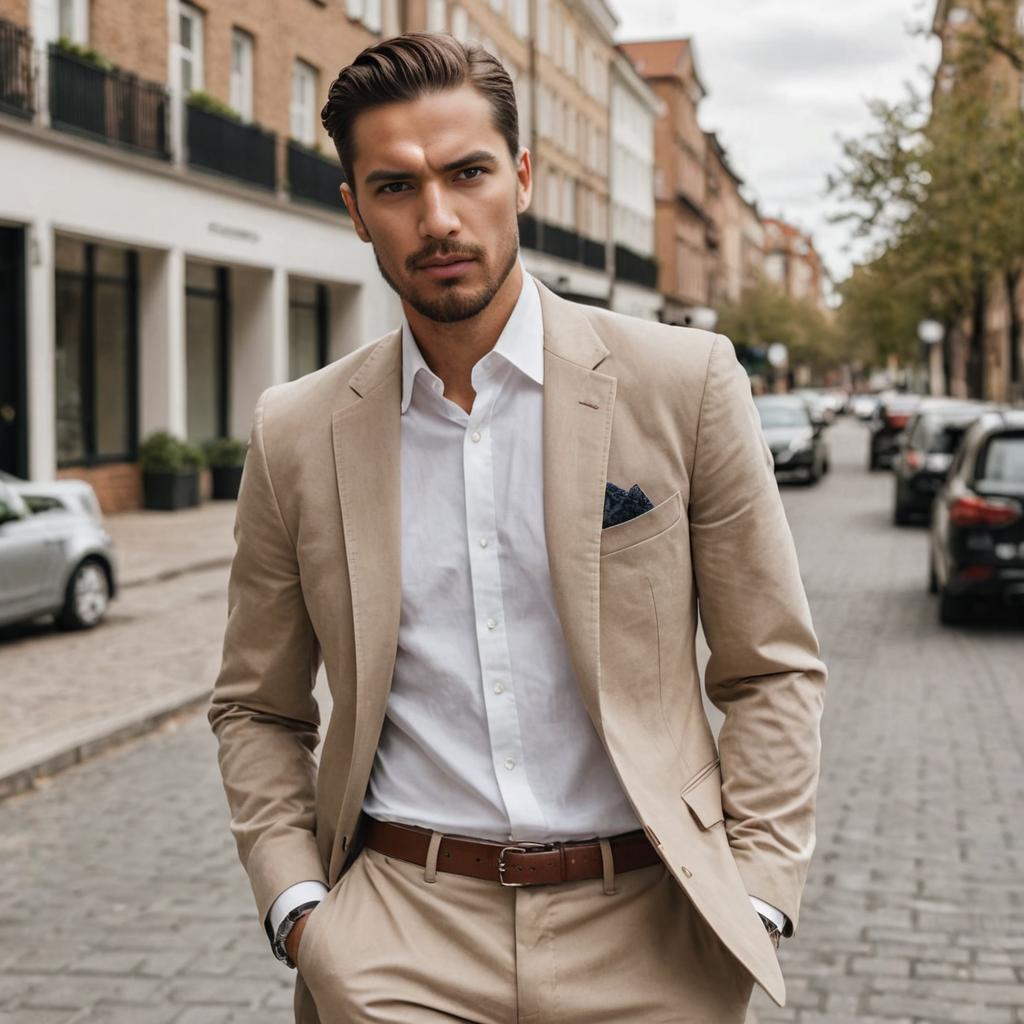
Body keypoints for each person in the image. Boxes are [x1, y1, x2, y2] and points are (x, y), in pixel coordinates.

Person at [208, 31, 827, 1024]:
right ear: (356, 212)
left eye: (467, 173)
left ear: (522, 177)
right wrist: (301, 910)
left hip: (650, 930)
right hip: (400, 935)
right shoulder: (297, 429)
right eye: (397, 187)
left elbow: (770, 667)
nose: (439, 217)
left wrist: (754, 894)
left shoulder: (684, 382)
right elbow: (257, 703)